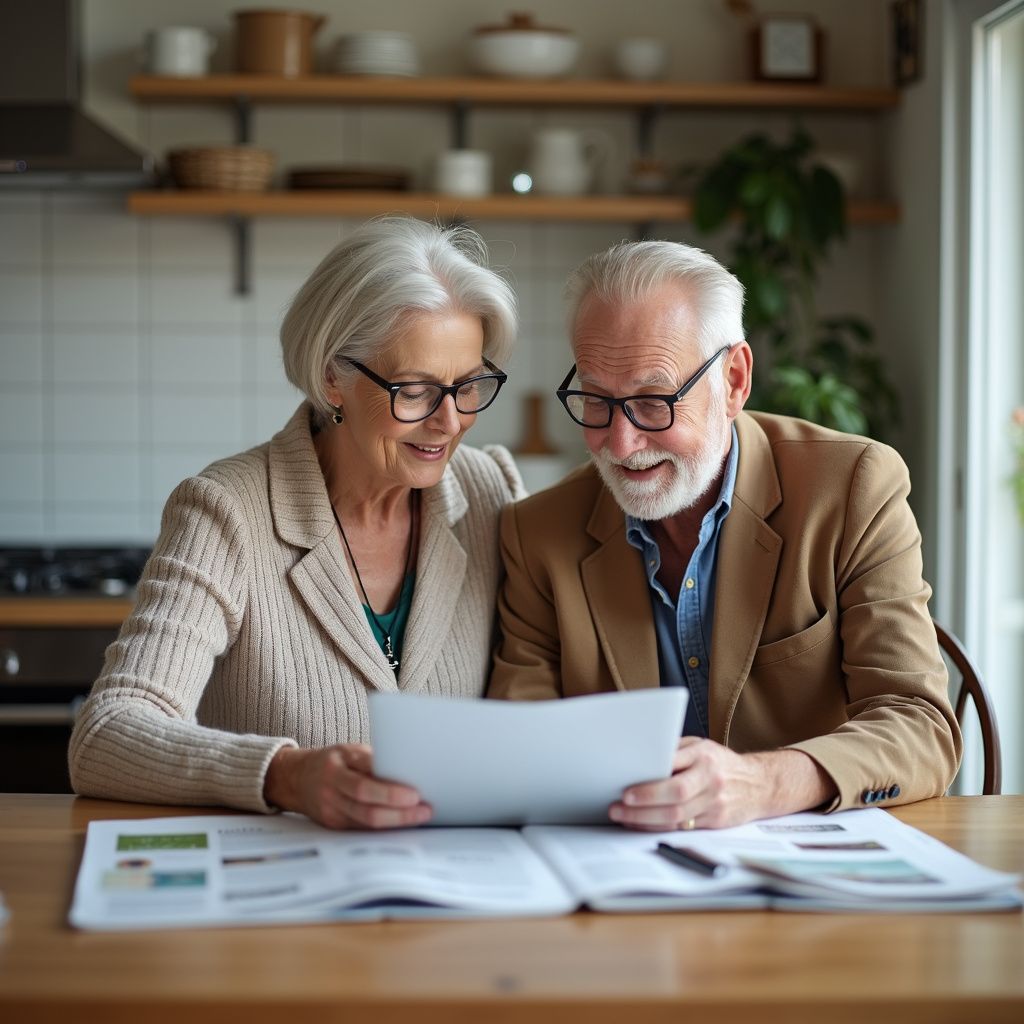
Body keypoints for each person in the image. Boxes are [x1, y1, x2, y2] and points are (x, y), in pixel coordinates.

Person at [488, 240, 961, 830]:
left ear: (734, 380)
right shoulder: (538, 532)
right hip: (617, 869)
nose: (620, 443)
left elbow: (918, 724)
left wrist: (765, 783)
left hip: (813, 875)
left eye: (654, 401)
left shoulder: (852, 489)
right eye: (596, 401)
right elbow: (519, 740)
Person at [70, 216, 524, 829]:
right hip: (285, 898)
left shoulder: (491, 490)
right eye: (415, 391)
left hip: (450, 888)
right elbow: (106, 735)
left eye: (468, 386)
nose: (450, 422)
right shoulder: (226, 511)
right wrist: (286, 775)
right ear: (333, 376)